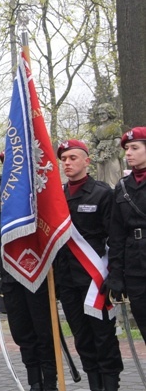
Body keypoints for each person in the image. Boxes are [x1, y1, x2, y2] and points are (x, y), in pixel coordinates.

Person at [0, 152, 57, 391]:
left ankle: (50, 383)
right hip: (10, 275)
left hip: (37, 273)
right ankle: (34, 382)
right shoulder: (1, 198)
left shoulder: (39, 193)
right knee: (22, 333)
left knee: (44, 333)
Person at [56, 140, 122, 391]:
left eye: (73, 158)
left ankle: (111, 385)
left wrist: (115, 274)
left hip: (95, 279)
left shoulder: (102, 193)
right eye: (64, 159)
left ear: (87, 161)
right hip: (68, 280)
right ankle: (95, 386)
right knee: (82, 338)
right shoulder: (57, 196)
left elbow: (114, 237)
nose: (68, 163)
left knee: (103, 336)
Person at [106, 126, 146, 342]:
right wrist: (116, 275)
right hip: (135, 268)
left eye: (134, 147)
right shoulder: (122, 187)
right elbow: (117, 234)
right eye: (126, 149)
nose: (128, 153)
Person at [90, 103, 123, 187]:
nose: (101, 116)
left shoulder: (114, 127)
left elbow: (118, 139)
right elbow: (94, 141)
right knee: (101, 173)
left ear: (109, 113)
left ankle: (114, 188)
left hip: (112, 153)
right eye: (99, 114)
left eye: (103, 113)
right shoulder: (98, 129)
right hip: (100, 152)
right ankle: (103, 189)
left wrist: (112, 147)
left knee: (113, 172)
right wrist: (93, 148)